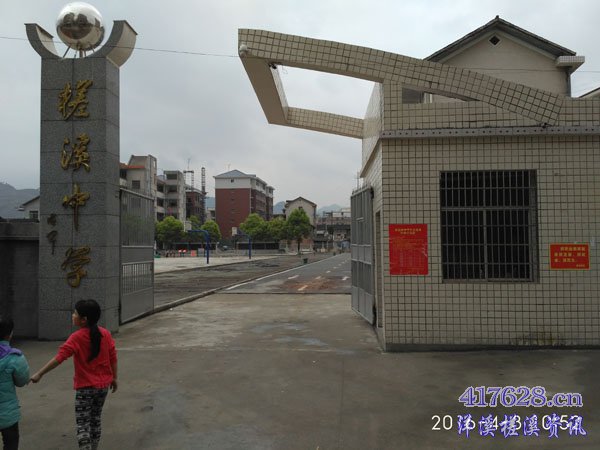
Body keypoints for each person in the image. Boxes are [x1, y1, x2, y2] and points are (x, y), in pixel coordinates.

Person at [31, 300, 118, 450]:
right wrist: (114, 378)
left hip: (85, 388)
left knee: (83, 424)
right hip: (103, 387)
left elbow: (59, 358)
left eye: (75, 313)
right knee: (95, 419)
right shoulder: (105, 334)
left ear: (84, 319)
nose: (72, 315)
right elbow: (113, 358)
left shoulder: (76, 337)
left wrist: (40, 373)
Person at [0, 316, 30, 450]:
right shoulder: (15, 357)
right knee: (10, 443)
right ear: (10, 334)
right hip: (7, 413)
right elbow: (22, 381)